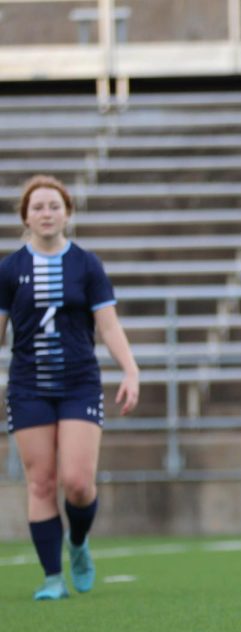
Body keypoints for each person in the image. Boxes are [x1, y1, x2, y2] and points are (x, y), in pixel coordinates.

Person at [0, 174, 139, 600]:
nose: (46, 213)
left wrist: (130, 370)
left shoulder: (86, 264)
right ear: (25, 216)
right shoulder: (9, 269)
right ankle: (51, 577)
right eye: (38, 207)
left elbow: (108, 324)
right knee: (40, 482)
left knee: (77, 483)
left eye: (54, 206)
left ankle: (78, 543)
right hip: (28, 387)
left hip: (79, 383)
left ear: (67, 213)